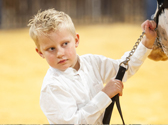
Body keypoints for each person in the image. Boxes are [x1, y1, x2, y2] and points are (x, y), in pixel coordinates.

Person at [28, 8, 157, 124]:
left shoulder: (92, 63)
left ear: (76, 40)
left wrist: (146, 42)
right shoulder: (52, 87)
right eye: (51, 48)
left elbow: (122, 70)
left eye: (65, 44)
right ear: (40, 52)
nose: (60, 53)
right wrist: (105, 94)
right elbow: (74, 123)